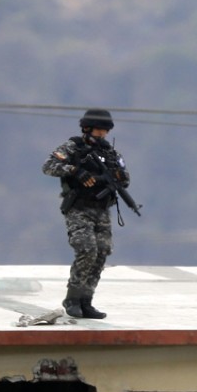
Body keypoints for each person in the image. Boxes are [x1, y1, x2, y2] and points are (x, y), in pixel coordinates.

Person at [42, 108, 134, 319]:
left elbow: (124, 178)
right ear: (87, 128)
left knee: (102, 253)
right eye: (98, 130)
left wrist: (113, 177)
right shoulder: (73, 147)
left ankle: (86, 301)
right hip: (79, 208)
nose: (101, 134)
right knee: (87, 249)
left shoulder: (111, 153)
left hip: (101, 209)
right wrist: (75, 171)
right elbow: (49, 166)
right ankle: (72, 298)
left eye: (104, 131)